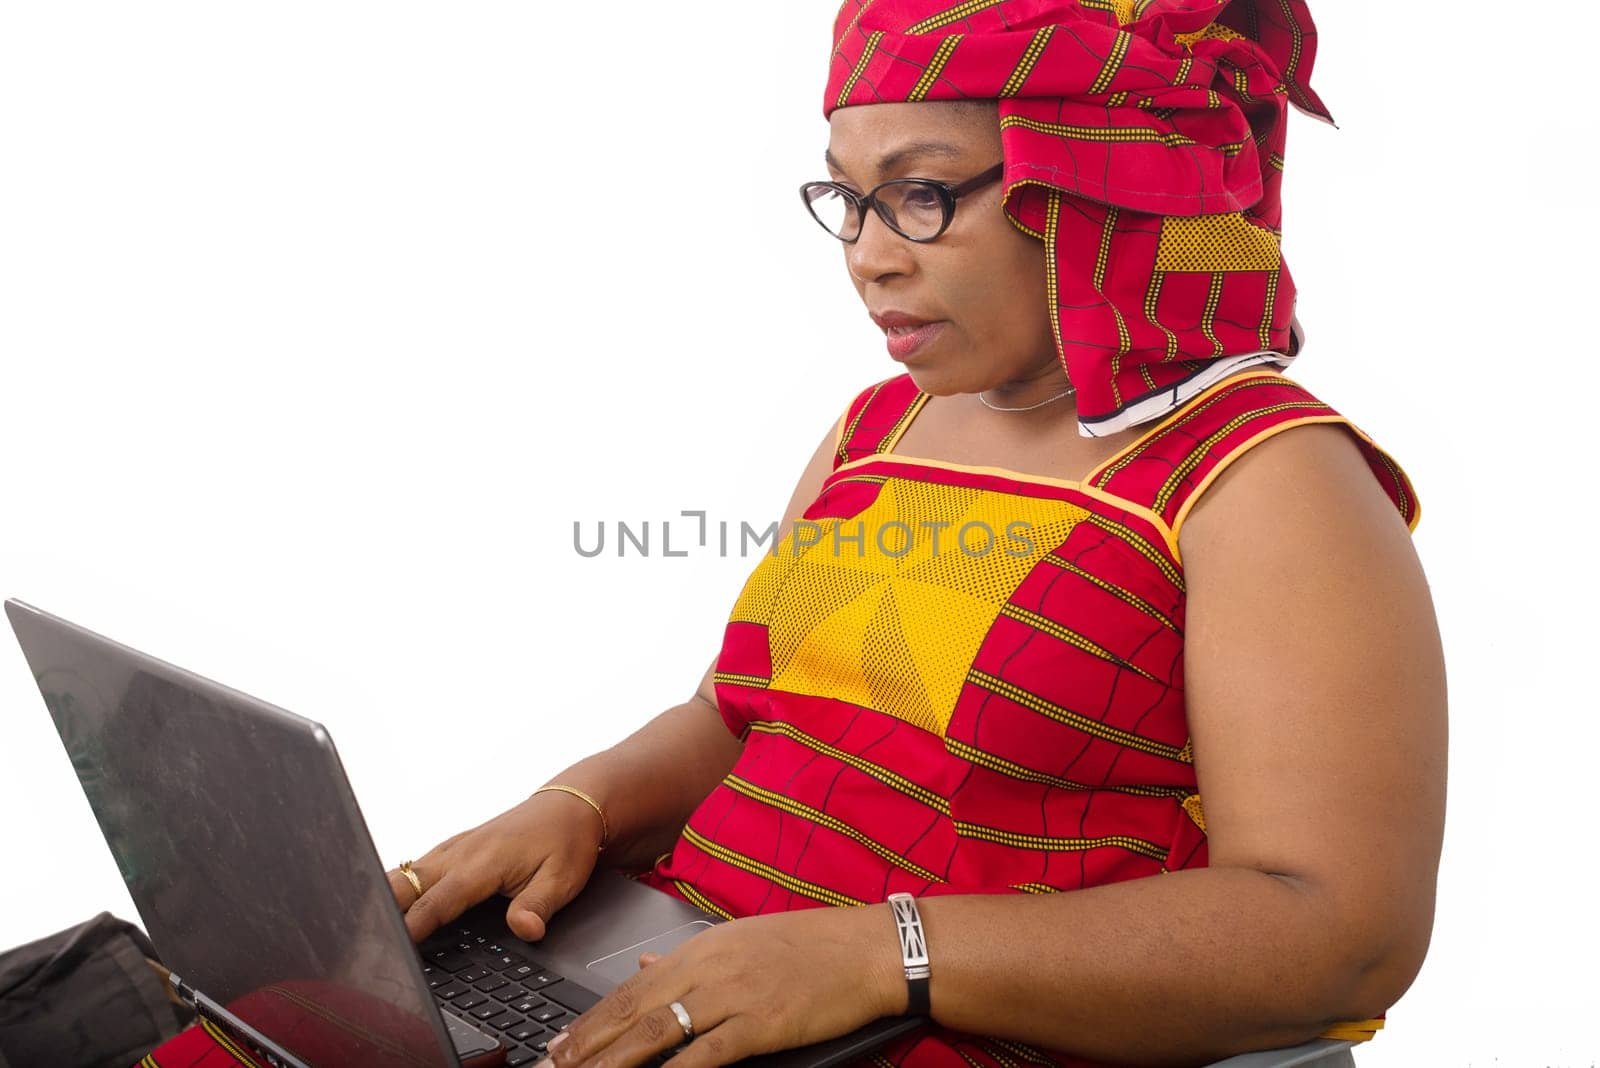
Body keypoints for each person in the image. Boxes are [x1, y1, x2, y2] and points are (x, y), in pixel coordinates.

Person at [135, 1, 1446, 1066]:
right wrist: (576, 805)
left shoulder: (1267, 483)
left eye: (921, 196)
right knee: (241, 1021)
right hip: (687, 968)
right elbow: (742, 716)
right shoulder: (888, 424)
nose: (868, 257)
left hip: (930, 1027)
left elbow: (1334, 934)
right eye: (847, 201)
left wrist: (882, 954)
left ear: (1104, 184)